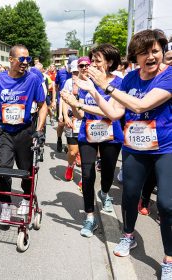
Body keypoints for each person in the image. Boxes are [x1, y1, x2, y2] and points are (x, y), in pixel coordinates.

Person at [74, 29, 172, 278]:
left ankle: (168, 258)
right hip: (135, 147)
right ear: (135, 57)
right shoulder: (129, 80)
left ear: (162, 52)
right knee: (129, 196)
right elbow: (115, 112)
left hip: (165, 148)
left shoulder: (169, 76)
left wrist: (105, 85)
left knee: (166, 203)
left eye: (155, 51)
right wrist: (95, 91)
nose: (150, 56)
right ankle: (128, 236)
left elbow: (141, 105)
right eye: (144, 53)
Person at [62, 45, 124, 238]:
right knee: (87, 175)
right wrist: (73, 104)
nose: (93, 64)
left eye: (97, 60)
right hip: (87, 134)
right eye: (92, 60)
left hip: (111, 135)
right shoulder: (84, 81)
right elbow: (82, 113)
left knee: (107, 174)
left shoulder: (120, 83)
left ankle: (105, 193)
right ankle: (90, 217)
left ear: (110, 62)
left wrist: (79, 104)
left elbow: (112, 113)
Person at [0, 44, 47, 222]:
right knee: (4, 168)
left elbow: (43, 107)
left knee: (26, 169)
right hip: (5, 132)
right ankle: (5, 203)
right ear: (11, 60)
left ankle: (26, 199)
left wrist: (39, 130)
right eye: (22, 59)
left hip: (25, 131)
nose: (25, 62)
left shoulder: (33, 79)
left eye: (28, 59)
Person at [60, 60, 81, 184]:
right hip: (72, 120)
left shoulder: (90, 83)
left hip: (86, 121)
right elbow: (63, 100)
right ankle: (70, 166)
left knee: (85, 152)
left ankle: (85, 178)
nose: (75, 75)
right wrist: (65, 117)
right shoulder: (68, 82)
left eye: (77, 72)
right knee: (73, 151)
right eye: (73, 72)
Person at [55, 55, 77, 152]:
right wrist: (55, 99)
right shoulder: (61, 72)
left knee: (73, 125)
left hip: (74, 105)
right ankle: (59, 139)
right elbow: (56, 86)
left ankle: (70, 145)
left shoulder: (79, 74)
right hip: (62, 101)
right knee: (61, 124)